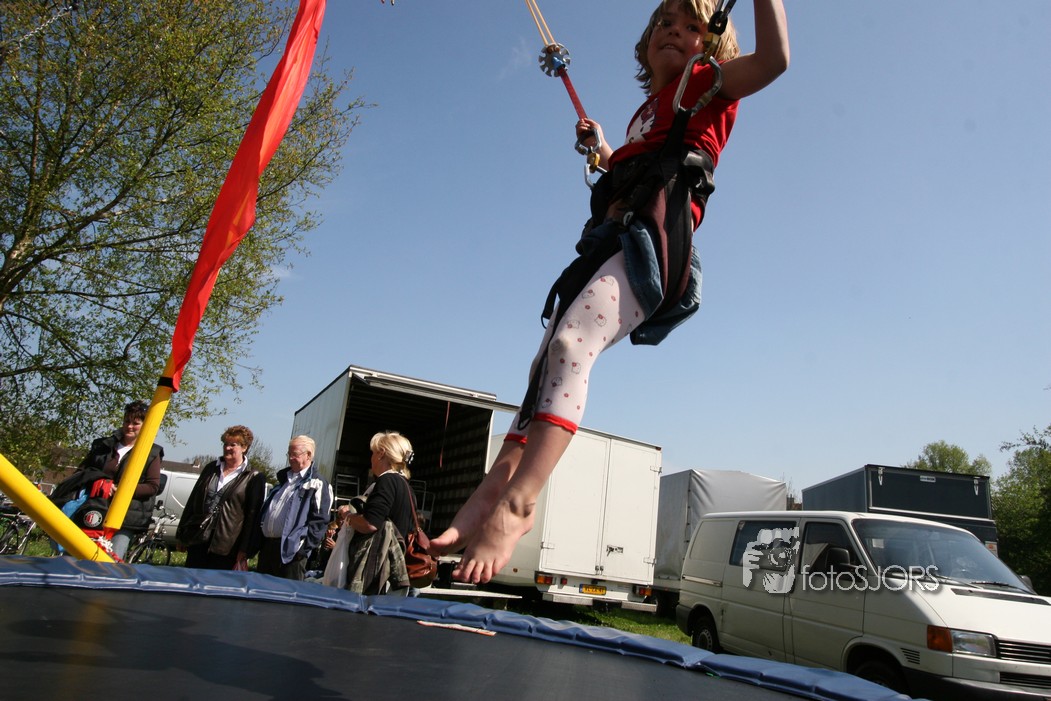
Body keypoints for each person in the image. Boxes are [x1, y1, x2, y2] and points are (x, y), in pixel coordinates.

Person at [430, 0, 790, 584]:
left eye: (692, 27)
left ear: (712, 44)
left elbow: (774, 61)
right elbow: (631, 161)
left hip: (655, 246)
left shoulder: (710, 84)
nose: (674, 31)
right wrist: (602, 149)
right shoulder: (645, 111)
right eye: (665, 23)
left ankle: (519, 504)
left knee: (572, 345)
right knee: (542, 369)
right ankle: (492, 490)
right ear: (647, 43)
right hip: (613, 240)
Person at [67, 400, 164, 560]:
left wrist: (121, 490)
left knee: (110, 560)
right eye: (127, 421)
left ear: (145, 425)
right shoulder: (103, 445)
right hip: (92, 510)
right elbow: (81, 473)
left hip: (124, 518)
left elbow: (152, 486)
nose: (129, 426)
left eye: (135, 423)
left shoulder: (152, 452)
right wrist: (99, 482)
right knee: (77, 555)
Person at [323, 431, 415, 594]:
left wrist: (347, 516)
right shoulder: (407, 487)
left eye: (373, 453)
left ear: (381, 454)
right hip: (393, 573)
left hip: (375, 574)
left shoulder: (386, 481)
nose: (371, 458)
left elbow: (370, 524)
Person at [177, 425, 266, 570]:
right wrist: (181, 533)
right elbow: (193, 500)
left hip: (227, 546)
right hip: (198, 537)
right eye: (225, 444)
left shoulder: (254, 477)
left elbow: (252, 516)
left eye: (233, 444)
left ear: (244, 447)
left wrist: (245, 549)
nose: (227, 448)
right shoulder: (211, 468)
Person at [251, 435, 333, 580]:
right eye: (289, 454)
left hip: (292, 555)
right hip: (268, 549)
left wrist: (301, 550)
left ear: (308, 455)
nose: (290, 458)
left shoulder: (317, 483)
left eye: (295, 454)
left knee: (286, 593)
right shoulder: (284, 480)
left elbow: (320, 521)